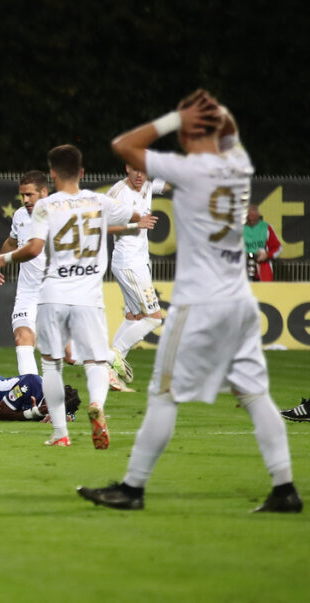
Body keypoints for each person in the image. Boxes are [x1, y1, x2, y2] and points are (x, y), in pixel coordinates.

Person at [78, 90, 301, 513]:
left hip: (199, 304)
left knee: (163, 395)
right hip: (240, 302)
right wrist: (218, 114)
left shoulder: (186, 168)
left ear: (186, 135)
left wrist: (173, 119)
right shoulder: (238, 167)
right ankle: (284, 488)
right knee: (256, 394)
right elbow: (229, 134)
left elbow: (123, 146)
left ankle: (132, 488)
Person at [0, 144, 154, 448]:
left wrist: (5, 260)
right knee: (92, 361)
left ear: (52, 176)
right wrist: (135, 222)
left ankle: (60, 433)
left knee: (53, 363)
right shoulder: (97, 201)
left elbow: (34, 248)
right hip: (87, 293)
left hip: (54, 292)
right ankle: (97, 404)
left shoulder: (47, 209)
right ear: (82, 173)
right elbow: (129, 216)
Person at [106, 164, 170, 380]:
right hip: (129, 263)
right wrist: (135, 225)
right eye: (135, 169)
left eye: (143, 169)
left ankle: (110, 373)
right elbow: (102, 226)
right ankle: (111, 356)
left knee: (134, 317)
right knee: (154, 318)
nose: (140, 174)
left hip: (139, 262)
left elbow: (171, 184)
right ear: (127, 168)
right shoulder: (118, 193)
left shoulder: (148, 185)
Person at [0, 170, 48, 377]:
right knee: (22, 338)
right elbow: (12, 242)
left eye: (29, 195)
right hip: (28, 293)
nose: (25, 200)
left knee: (68, 355)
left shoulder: (59, 216)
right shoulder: (20, 216)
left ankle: (110, 359)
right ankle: (32, 393)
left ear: (44, 192)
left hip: (55, 294)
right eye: (22, 195)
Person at [244, 203, 282, 281]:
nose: (251, 220)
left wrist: (267, 255)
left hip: (263, 270)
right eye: (249, 217)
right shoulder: (238, 229)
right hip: (242, 269)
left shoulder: (266, 227)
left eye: (253, 217)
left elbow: (278, 248)